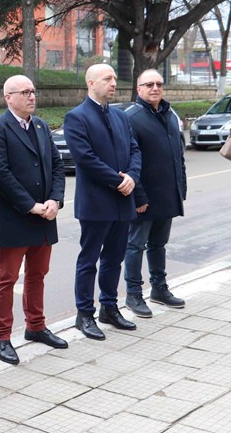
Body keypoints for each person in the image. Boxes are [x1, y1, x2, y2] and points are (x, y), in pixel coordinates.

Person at [0, 75, 67, 364]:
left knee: (37, 275)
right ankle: (1, 336)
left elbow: (57, 165)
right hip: (15, 217)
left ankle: (36, 326)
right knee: (7, 279)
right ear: (8, 97)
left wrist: (55, 199)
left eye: (33, 91)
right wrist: (30, 206)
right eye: (25, 92)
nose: (32, 96)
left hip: (45, 216)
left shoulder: (40, 126)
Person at [63, 64, 141, 341]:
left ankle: (109, 307)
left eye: (114, 78)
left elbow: (134, 149)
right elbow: (85, 158)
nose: (113, 83)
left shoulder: (120, 116)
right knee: (89, 260)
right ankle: (85, 313)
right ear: (91, 83)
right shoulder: (76, 117)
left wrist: (132, 177)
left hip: (123, 200)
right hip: (96, 202)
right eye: (107, 78)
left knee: (114, 259)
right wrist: (118, 180)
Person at [123, 69, 187, 318]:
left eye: (159, 84)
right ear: (138, 88)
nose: (155, 88)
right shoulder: (131, 117)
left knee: (159, 244)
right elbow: (129, 161)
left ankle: (159, 289)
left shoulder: (169, 114)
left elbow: (178, 154)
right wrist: (138, 196)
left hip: (167, 193)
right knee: (135, 245)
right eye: (149, 84)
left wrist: (181, 186)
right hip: (144, 197)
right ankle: (133, 294)